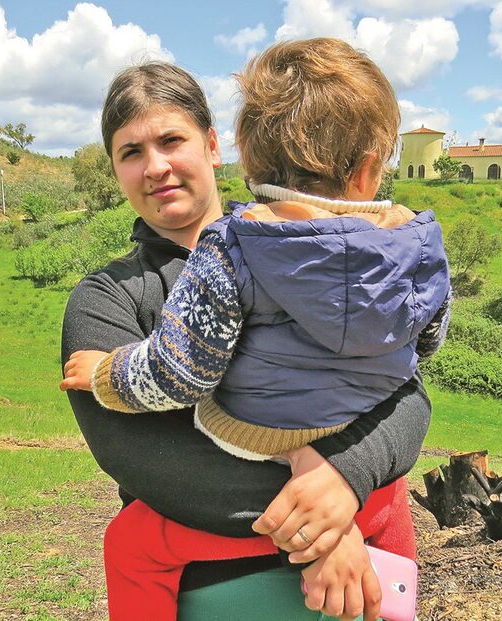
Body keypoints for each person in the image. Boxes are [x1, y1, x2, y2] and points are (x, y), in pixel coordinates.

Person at [61, 38, 450, 620]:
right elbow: (144, 456)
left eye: (172, 140)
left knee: (129, 543)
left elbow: (409, 396)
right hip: (227, 585)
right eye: (130, 152)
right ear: (115, 170)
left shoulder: (241, 257)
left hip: (356, 571)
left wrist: (344, 478)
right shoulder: (107, 298)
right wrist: (325, 520)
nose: (156, 165)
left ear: (217, 146)